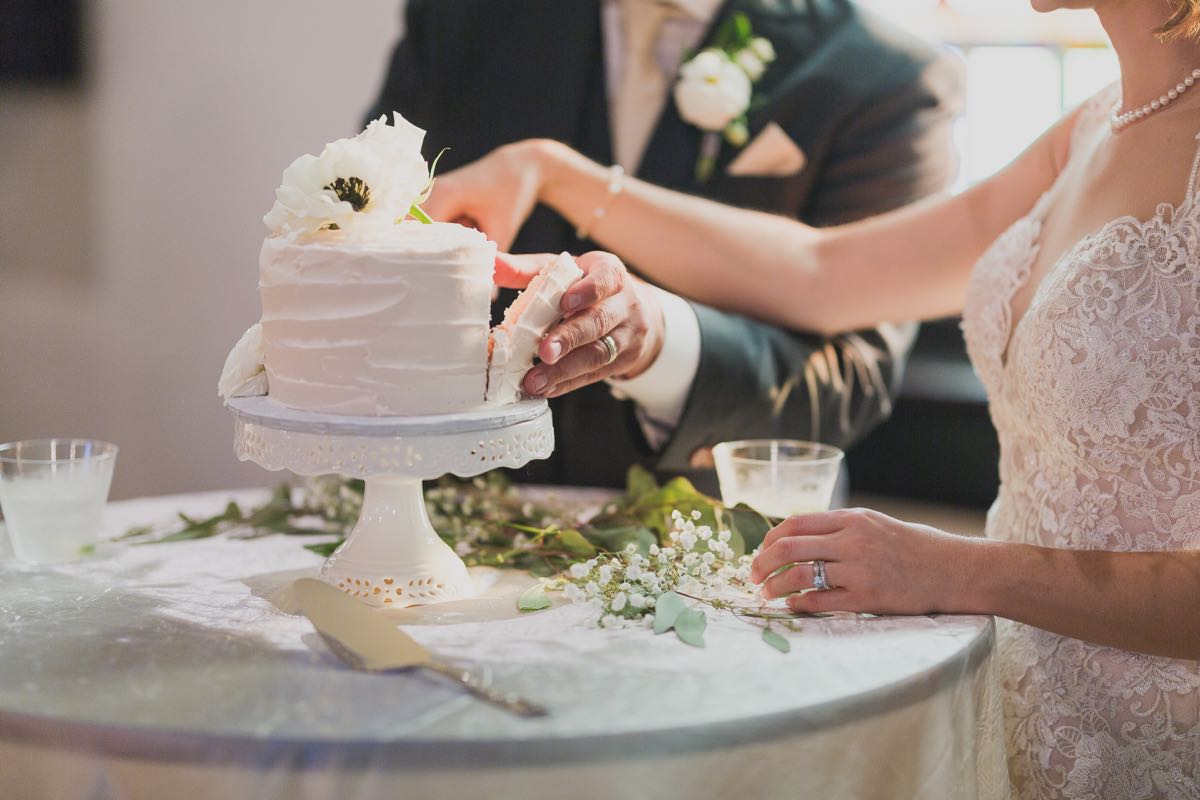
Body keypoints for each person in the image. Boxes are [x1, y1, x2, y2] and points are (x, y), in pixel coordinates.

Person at [423, 1, 1200, 795]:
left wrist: (961, 572)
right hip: (1021, 716)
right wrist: (558, 172)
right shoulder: (1095, 124)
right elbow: (822, 275)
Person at [366, 0, 962, 490]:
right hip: (442, 520)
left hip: (716, 550)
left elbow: (851, 374)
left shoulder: (887, 75)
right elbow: (364, 230)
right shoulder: (457, 20)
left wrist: (659, 348)